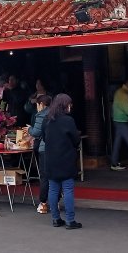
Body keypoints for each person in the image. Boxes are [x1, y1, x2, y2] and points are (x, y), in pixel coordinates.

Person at [42, 93, 82, 229]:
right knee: (68, 189)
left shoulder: (46, 120)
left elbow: (44, 138)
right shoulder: (68, 121)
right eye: (69, 104)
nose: (71, 107)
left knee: (53, 190)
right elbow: (76, 139)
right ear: (65, 105)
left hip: (51, 159)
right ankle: (70, 221)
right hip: (66, 159)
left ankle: (55, 219)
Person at [27, 94, 51, 214]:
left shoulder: (42, 115)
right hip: (56, 149)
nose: (37, 107)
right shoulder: (54, 113)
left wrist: (29, 129)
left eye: (37, 104)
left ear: (41, 104)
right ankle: (55, 201)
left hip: (44, 148)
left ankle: (43, 203)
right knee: (54, 176)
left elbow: (36, 132)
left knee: (45, 176)